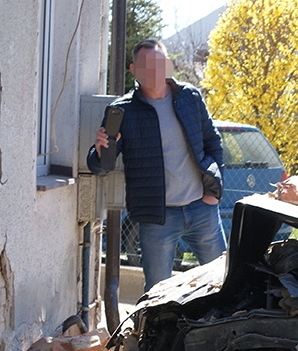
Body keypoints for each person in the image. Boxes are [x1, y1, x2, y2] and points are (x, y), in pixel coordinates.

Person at [88, 39, 226, 292]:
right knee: (157, 292)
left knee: (222, 281)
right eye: (146, 65)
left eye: (159, 63)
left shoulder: (190, 97)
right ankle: (158, 333)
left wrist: (213, 192)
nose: (154, 70)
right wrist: (99, 153)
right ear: (134, 70)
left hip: (202, 209)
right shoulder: (121, 111)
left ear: (168, 65)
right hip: (157, 218)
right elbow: (101, 167)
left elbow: (213, 143)